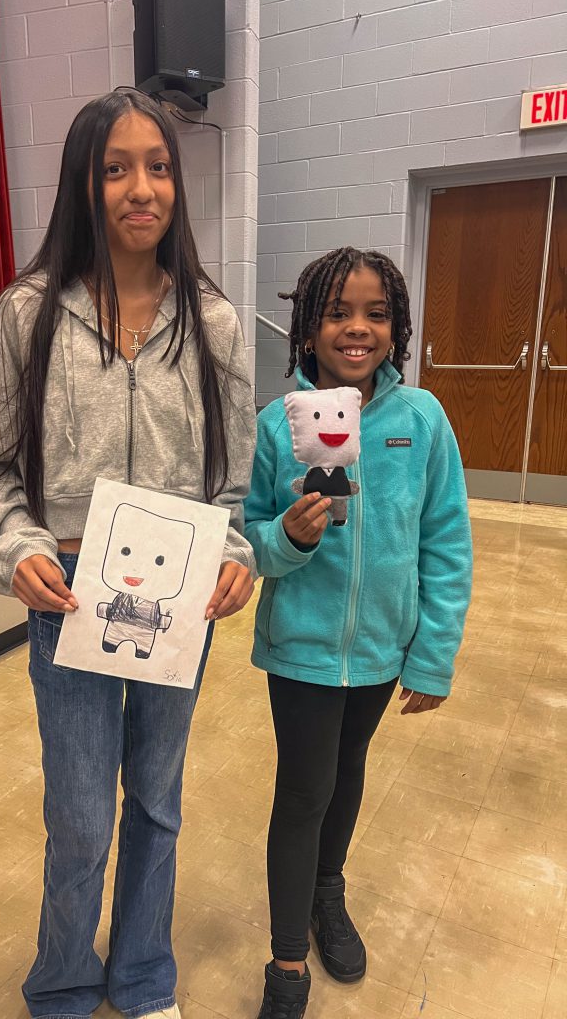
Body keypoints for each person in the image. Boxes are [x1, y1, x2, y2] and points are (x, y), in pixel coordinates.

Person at [0, 89, 256, 1019]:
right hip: (73, 598)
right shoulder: (28, 314)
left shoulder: (216, 326)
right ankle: (66, 983)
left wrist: (236, 551)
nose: (140, 187)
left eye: (158, 166)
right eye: (116, 167)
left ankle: (143, 975)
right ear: (84, 182)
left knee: (157, 802)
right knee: (80, 817)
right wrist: (16, 549)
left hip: (179, 601)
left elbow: (233, 482)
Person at [244, 248, 472, 1019]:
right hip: (302, 651)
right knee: (304, 791)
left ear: (396, 328)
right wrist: (292, 537)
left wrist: (433, 655)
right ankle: (286, 964)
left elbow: (445, 540)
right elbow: (249, 539)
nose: (357, 328)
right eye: (338, 312)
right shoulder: (279, 426)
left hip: (382, 648)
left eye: (376, 314)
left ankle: (327, 894)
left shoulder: (423, 420)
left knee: (345, 779)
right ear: (307, 330)